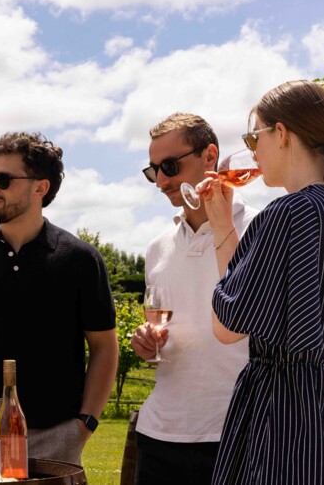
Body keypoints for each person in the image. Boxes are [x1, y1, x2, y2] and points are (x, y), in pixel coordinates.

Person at [200, 80, 324, 484]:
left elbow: (227, 327)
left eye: (254, 136)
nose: (253, 150)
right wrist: (223, 227)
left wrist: (220, 239)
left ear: (280, 134)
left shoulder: (286, 214)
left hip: (279, 419)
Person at [0, 131, 119, 467]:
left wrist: (84, 425)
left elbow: (104, 346)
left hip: (54, 441)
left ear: (40, 188)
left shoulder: (81, 259)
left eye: (3, 179)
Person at [130, 113, 254, 484]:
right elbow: (167, 338)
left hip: (235, 434)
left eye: (170, 166)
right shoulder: (157, 248)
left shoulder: (260, 230)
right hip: (159, 434)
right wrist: (148, 345)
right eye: (154, 171)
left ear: (209, 156)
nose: (162, 181)